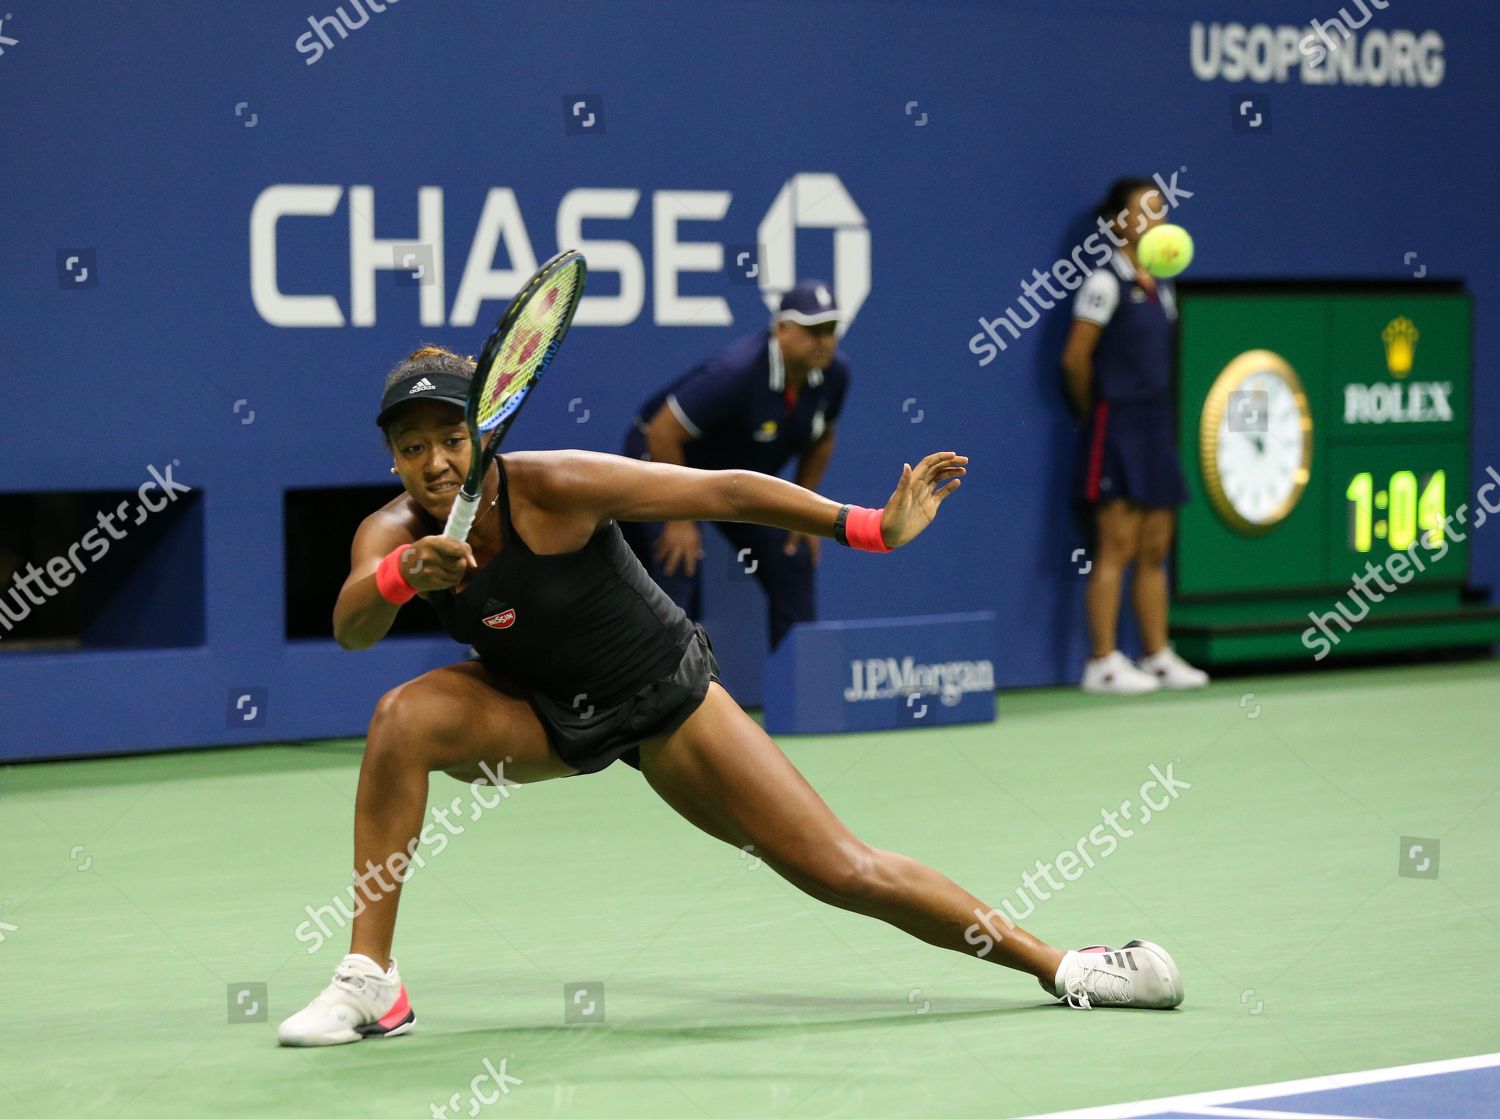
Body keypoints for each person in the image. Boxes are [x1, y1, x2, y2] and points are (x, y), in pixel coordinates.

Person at [277, 345, 1184, 1047]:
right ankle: (372, 980)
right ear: (392, 458)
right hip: (541, 712)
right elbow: (354, 621)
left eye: (451, 437)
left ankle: (1066, 962)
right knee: (402, 717)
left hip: (663, 699)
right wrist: (404, 571)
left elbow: (721, 488)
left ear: (486, 431)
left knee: (843, 870)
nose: (435, 460)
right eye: (412, 447)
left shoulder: (556, 485)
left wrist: (867, 526)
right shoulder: (390, 531)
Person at [621, 280, 849, 650]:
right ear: (782, 330)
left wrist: (808, 504)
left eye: (830, 330)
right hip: (668, 468)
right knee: (678, 562)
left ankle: (799, 695)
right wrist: (681, 516)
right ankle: (668, 696)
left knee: (793, 552)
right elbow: (662, 432)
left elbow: (822, 436)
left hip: (737, 482)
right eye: (812, 330)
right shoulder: (735, 373)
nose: (824, 340)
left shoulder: (835, 375)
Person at [1061, 178, 1211, 695]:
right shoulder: (1103, 284)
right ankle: (1101, 662)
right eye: (1146, 210)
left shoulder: (1162, 285)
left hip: (1156, 424)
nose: (1157, 219)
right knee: (1116, 544)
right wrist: (1097, 412)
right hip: (1115, 422)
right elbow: (1075, 360)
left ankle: (1157, 654)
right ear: (1117, 223)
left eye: (1161, 209)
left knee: (1155, 545)